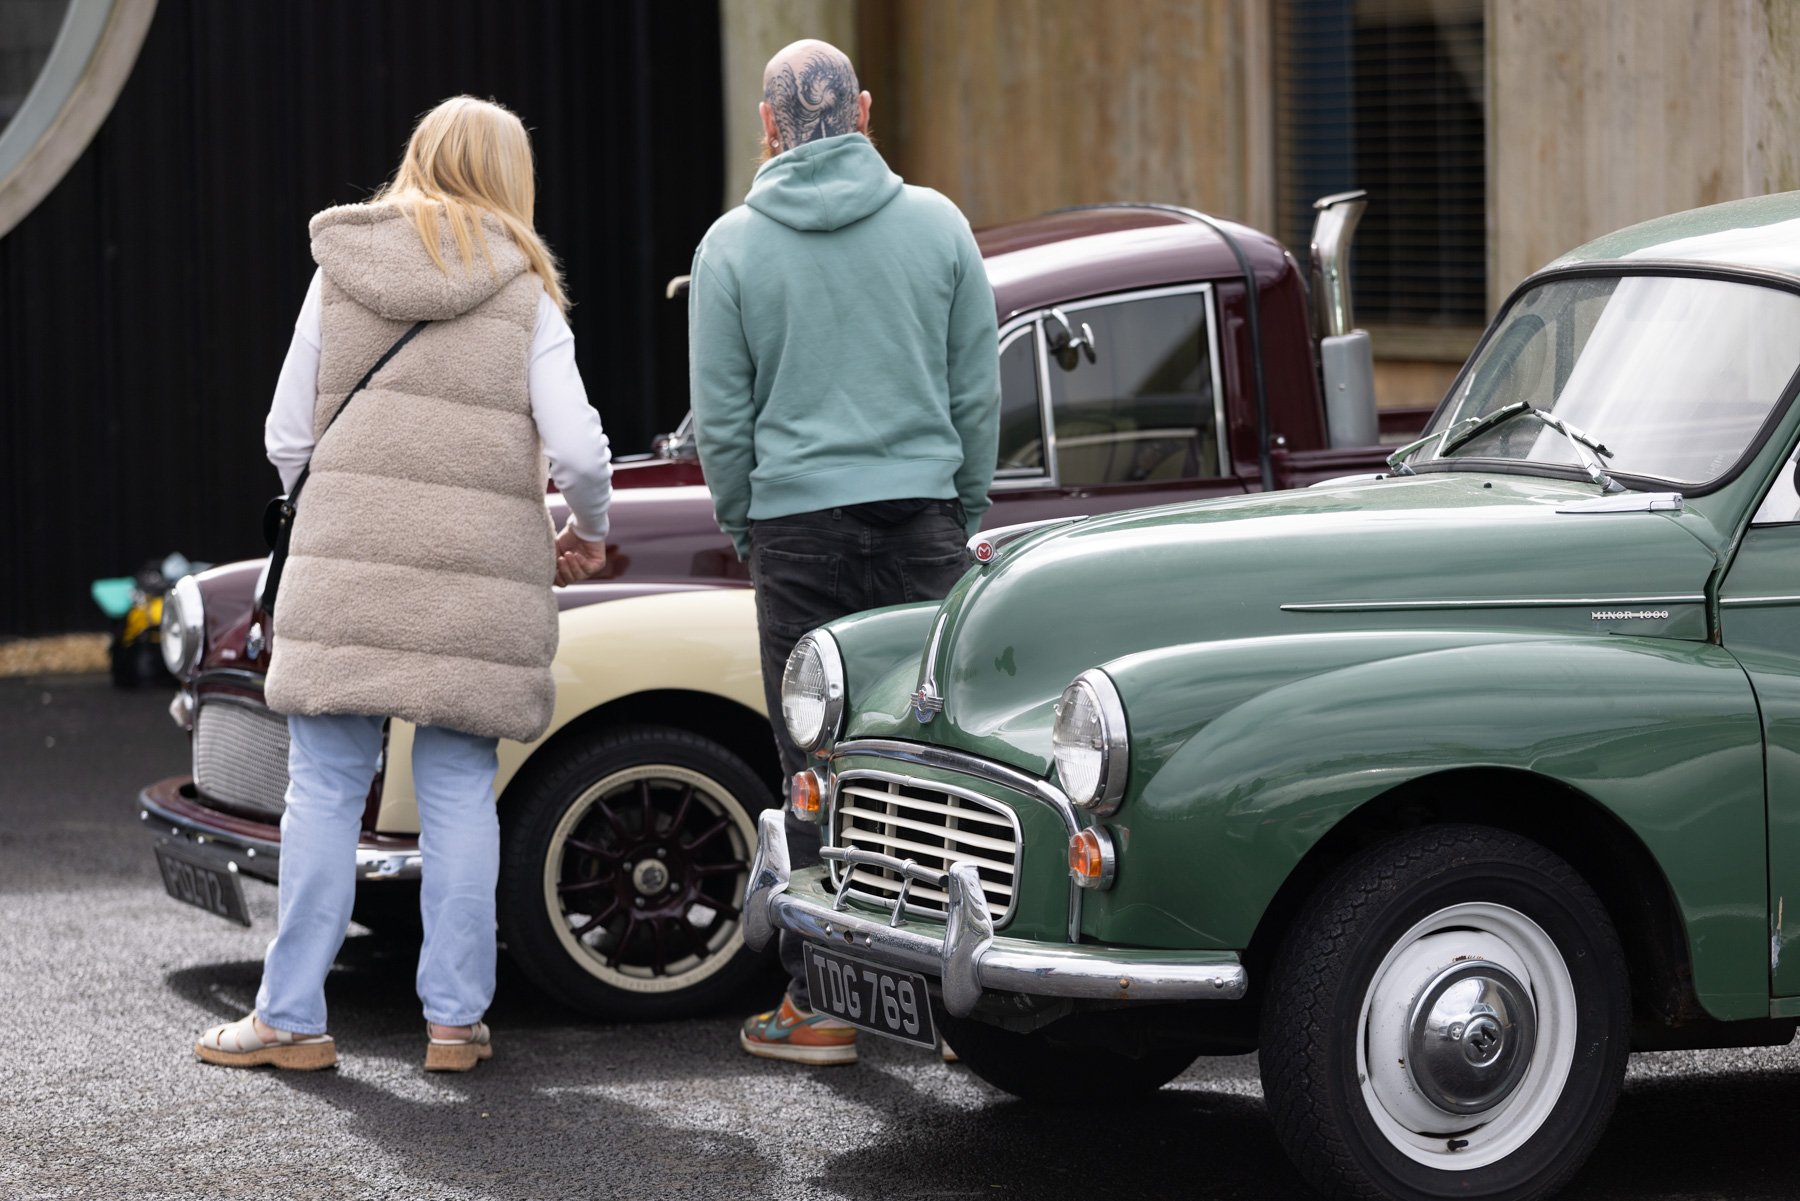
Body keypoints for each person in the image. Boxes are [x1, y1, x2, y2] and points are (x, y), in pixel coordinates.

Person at [194, 96, 613, 1072]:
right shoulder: (526, 296)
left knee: (325, 791)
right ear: (514, 179)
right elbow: (584, 452)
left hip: (344, 574)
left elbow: (285, 433)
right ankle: (456, 1024)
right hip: (477, 584)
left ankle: (292, 1020)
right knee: (463, 789)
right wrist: (584, 528)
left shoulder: (339, 274)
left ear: (418, 158)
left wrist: (333, 502)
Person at [688, 39, 1000, 1065]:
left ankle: (821, 1004)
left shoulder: (731, 248)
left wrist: (747, 523)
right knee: (943, 764)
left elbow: (722, 425)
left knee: (814, 766)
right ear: (861, 110)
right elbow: (977, 395)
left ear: (767, 126)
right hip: (923, 526)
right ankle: (965, 1008)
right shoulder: (940, 224)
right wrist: (960, 507)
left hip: (797, 533)